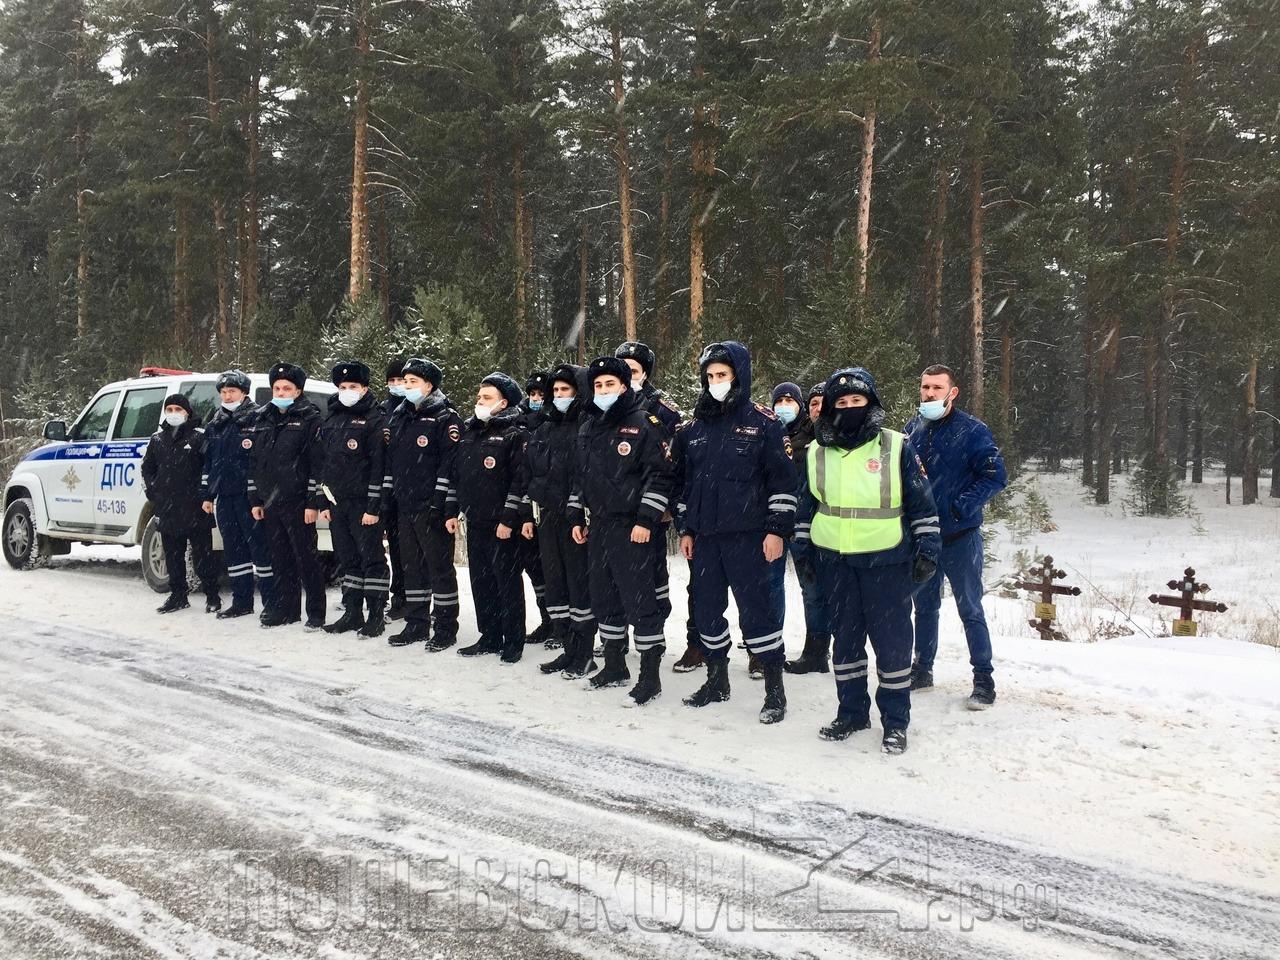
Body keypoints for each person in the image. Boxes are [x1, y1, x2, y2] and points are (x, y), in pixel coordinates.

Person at [795, 367, 940, 755]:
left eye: (857, 401)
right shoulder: (815, 452)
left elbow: (921, 502)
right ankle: (852, 712)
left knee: (892, 645)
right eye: (840, 403)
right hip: (834, 562)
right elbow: (805, 508)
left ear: (871, 404)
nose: (849, 408)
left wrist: (928, 547)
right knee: (845, 642)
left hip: (886, 561)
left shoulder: (896, 446)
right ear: (829, 408)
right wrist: (803, 550)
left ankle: (895, 722)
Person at [672, 341, 796, 724]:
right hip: (706, 539)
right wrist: (686, 529)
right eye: (709, 376)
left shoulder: (764, 424)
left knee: (758, 614)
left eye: (722, 375)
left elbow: (783, 484)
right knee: (707, 611)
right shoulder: (692, 429)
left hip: (749, 537)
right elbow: (684, 485)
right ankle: (717, 680)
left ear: (738, 376)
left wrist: (776, 531)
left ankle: (774, 688)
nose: (715, 382)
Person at [567, 356, 674, 705]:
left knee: (641, 601)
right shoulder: (587, 427)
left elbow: (659, 475)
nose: (603, 390)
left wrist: (645, 520)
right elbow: (580, 478)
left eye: (610, 384)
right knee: (604, 597)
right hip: (599, 526)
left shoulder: (643, 423)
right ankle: (614, 665)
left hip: (633, 529)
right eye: (597, 385)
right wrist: (575, 518)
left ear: (625, 386)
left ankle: (650, 677)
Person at [906, 364, 1008, 709]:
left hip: (960, 536)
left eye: (936, 388)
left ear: (953, 392)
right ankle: (922, 668)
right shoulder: (913, 429)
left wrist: (961, 505)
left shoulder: (972, 431)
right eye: (925, 387)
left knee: (970, 609)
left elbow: (995, 476)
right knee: (924, 607)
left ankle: (983, 679)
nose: (929, 394)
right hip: (923, 537)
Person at [614, 340, 695, 673]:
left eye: (634, 370)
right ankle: (620, 638)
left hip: (651, 509)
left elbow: (672, 462)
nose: (628, 375)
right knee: (618, 577)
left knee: (652, 577)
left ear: (644, 373)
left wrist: (666, 504)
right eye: (624, 369)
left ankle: (653, 635)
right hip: (617, 508)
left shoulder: (662, 409)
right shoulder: (605, 406)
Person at [446, 372, 528, 662]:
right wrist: (452, 511)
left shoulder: (515, 433)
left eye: (487, 397)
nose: (479, 401)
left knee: (506, 582)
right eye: (479, 397)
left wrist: (508, 519)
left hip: (502, 523)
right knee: (481, 582)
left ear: (503, 402)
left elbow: (519, 480)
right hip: (475, 519)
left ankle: (513, 640)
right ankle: (490, 635)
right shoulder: (471, 431)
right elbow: (459, 476)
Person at [523, 363, 597, 678]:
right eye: (556, 391)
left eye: (565, 390)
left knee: (579, 585)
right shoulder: (546, 427)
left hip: (575, 516)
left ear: (578, 391)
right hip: (548, 515)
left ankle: (584, 651)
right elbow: (533, 471)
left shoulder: (587, 425)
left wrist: (576, 509)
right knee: (556, 583)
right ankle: (567, 645)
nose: (559, 395)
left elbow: (585, 474)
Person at [385, 357, 463, 650]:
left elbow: (450, 466)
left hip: (432, 508)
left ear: (429, 385)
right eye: (405, 382)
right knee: (412, 568)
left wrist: (442, 505)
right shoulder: (400, 417)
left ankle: (445, 626)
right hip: (405, 506)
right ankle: (416, 623)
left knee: (439, 568)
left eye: (413, 382)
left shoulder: (446, 419)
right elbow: (393, 462)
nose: (406, 387)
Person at [315, 360, 390, 638]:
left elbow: (379, 467)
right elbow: (324, 464)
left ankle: (376, 614)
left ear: (365, 388)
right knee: (348, 560)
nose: (347, 391)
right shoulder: (332, 418)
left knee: (371, 559)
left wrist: (373, 507)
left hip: (363, 505)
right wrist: (323, 501)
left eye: (353, 387)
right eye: (343, 386)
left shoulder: (374, 419)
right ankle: (353, 612)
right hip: (337, 503)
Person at [249, 362, 326, 630]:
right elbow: (256, 462)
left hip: (298, 501)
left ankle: (315, 612)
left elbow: (317, 464)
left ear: (298, 390)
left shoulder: (310, 419)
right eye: (277, 388)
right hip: (270, 501)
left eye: (287, 388)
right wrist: (256, 500)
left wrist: (312, 502)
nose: (281, 392)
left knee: (306, 559)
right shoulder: (263, 419)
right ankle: (287, 609)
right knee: (279, 558)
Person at [765, 381, 831, 677]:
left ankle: (817, 650)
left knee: (813, 590)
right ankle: (767, 645)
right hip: (774, 523)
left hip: (808, 524)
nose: (784, 406)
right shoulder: (771, 433)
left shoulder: (820, 436)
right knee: (770, 584)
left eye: (791, 401)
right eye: (779, 401)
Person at [201, 369, 275, 619]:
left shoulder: (257, 418)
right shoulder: (215, 423)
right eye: (223, 392)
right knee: (234, 552)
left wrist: (260, 495)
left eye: (232, 391)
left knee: (261, 550)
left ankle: (271, 602)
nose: (227, 396)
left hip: (250, 497)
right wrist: (207, 495)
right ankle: (242, 601)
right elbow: (209, 463)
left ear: (244, 392)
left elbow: (263, 461)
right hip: (225, 496)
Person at [142, 393, 220, 615]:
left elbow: (210, 468)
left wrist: (207, 495)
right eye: (170, 409)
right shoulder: (157, 440)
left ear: (187, 413)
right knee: (173, 556)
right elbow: (147, 468)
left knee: (203, 556)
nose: (174, 414)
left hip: (195, 508)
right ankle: (178, 596)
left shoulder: (199, 438)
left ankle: (212, 595)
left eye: (179, 409)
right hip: (167, 508)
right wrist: (153, 490)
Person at [515, 370, 555, 645]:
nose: (537, 399)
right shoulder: (519, 424)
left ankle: (559, 623)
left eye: (542, 395)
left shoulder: (553, 424)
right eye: (533, 394)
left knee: (552, 570)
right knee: (534, 569)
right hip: (525, 506)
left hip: (550, 506)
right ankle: (546, 618)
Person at [381, 359, 409, 619]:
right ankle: (398, 596)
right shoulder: (383, 411)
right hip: (388, 490)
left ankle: (417, 600)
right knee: (396, 550)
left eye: (402, 381)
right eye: (393, 381)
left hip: (411, 490)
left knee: (413, 552)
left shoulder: (413, 410)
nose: (398, 386)